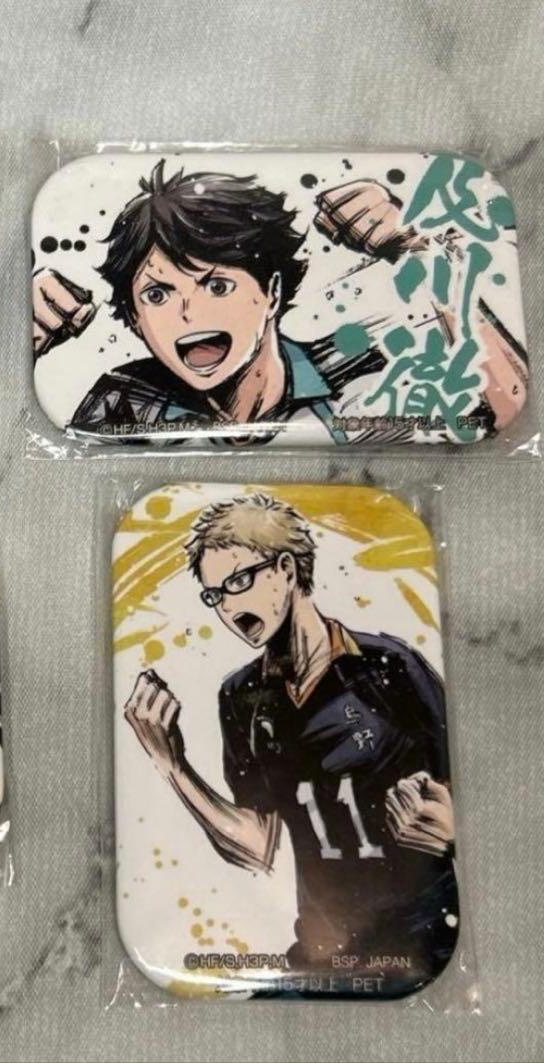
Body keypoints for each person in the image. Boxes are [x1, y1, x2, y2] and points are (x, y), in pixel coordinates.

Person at [124, 493, 457, 992]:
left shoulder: (391, 667)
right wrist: (172, 763)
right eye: (215, 595)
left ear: (285, 569)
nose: (228, 607)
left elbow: (468, 781)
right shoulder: (240, 697)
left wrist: (449, 825)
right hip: (318, 954)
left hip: (420, 945)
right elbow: (256, 845)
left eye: (238, 581)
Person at [34, 161, 525, 442]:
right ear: (136, 319)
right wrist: (25, 337)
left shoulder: (356, 378)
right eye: (157, 294)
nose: (188, 313)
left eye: (217, 286)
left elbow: (497, 408)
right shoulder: (123, 400)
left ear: (271, 292)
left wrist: (423, 254)